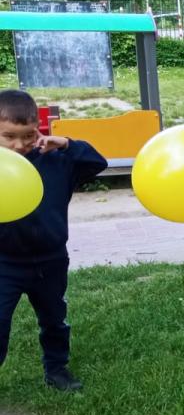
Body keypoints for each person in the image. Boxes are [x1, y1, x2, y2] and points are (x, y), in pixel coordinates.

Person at [0, 90, 107, 391]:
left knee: (54, 319)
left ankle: (56, 369)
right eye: (8, 136)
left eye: (27, 135)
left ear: (38, 128)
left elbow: (97, 162)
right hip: (5, 263)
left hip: (51, 260)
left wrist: (66, 144)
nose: (19, 144)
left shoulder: (56, 161)